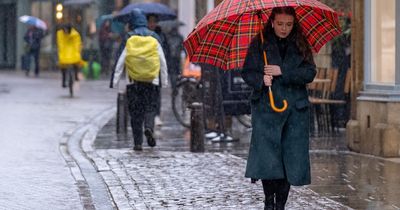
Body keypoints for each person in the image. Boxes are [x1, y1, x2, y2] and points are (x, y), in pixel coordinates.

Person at [241, 7, 316, 210]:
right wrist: (261, 79)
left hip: (294, 111)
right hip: (267, 110)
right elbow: (247, 71)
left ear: (294, 24)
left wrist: (283, 71)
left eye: (289, 24)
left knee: (289, 158)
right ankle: (269, 201)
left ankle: (280, 204)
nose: (284, 29)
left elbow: (309, 73)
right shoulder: (260, 42)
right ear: (272, 22)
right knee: (268, 158)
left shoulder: (300, 44)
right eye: (281, 24)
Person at [112, 9, 168, 151]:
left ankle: (137, 143)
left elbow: (120, 61)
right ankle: (149, 127)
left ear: (132, 22)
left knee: (136, 112)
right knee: (150, 108)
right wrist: (164, 81)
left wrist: (115, 81)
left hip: (133, 81)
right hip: (152, 81)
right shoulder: (154, 36)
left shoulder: (128, 37)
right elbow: (162, 60)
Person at [147, 14, 171, 126]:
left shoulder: (161, 35)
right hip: (146, 68)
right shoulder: (144, 34)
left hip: (157, 68)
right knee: (146, 92)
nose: (152, 24)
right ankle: (148, 116)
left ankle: (156, 115)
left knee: (156, 93)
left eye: (154, 22)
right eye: (150, 22)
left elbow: (166, 52)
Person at [56, 23, 82, 88]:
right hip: (65, 51)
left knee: (76, 62)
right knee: (63, 66)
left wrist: (77, 51)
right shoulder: (60, 34)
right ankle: (64, 80)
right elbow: (60, 43)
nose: (66, 31)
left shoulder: (75, 34)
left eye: (67, 29)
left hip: (72, 51)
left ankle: (76, 75)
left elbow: (77, 43)